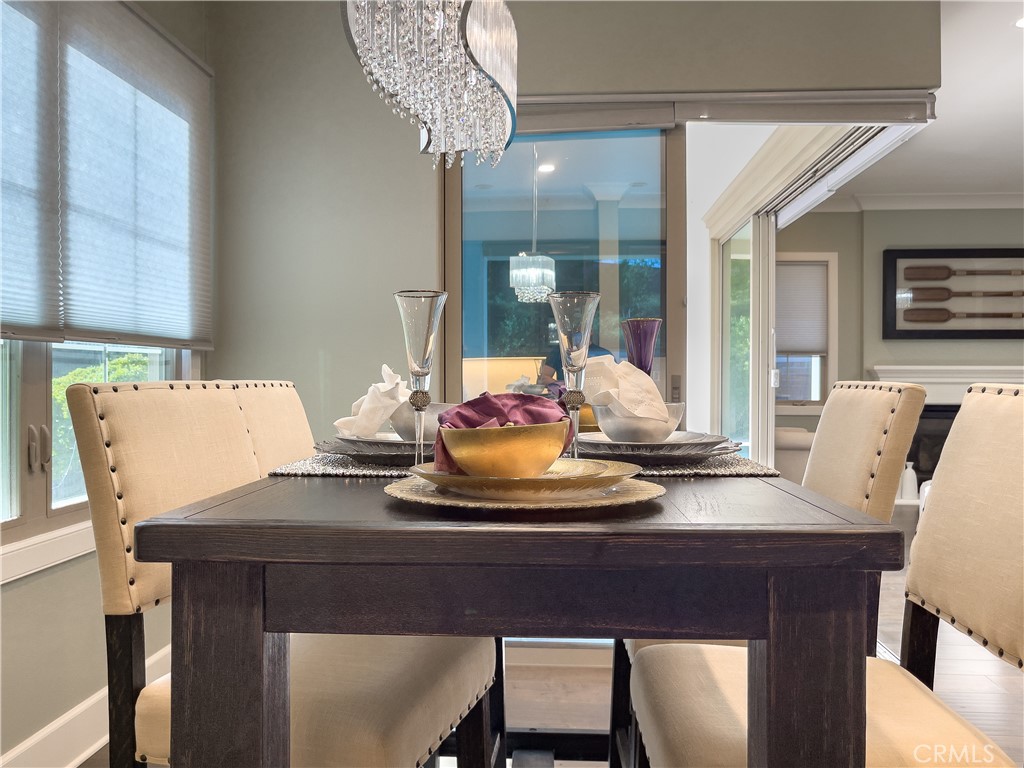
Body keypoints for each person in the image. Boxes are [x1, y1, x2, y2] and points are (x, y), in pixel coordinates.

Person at [537, 341, 614, 385]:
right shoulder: (559, 351)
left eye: (580, 328)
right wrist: (566, 386)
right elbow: (544, 378)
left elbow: (613, 381)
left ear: (590, 331)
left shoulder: (604, 354)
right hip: (565, 399)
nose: (577, 332)